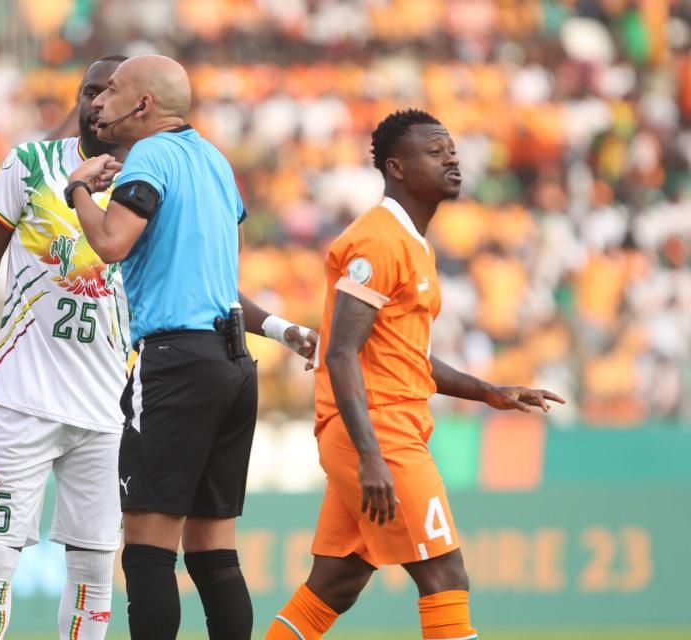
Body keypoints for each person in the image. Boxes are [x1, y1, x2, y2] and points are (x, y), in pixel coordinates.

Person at [263, 109, 565, 640]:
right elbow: (340, 353)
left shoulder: (413, 245)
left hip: (380, 428)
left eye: (451, 148)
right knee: (446, 575)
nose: (451, 157)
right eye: (435, 150)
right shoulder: (379, 241)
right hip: (378, 431)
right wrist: (372, 455)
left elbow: (401, 357)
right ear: (397, 167)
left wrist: (487, 391)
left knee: (337, 582)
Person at [67, 54, 316, 640]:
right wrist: (282, 328)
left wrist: (79, 191)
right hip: (233, 366)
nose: (98, 102)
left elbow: (110, 243)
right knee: (212, 551)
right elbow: (219, 284)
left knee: (149, 550)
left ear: (145, 105)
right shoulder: (216, 162)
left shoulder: (150, 155)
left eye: (112, 91)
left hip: (175, 363)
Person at [0, 55, 128, 640]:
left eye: (111, 92)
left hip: (108, 409)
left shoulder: (152, 182)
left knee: (93, 569)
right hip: (21, 399)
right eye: (89, 91)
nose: (97, 102)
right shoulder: (32, 163)